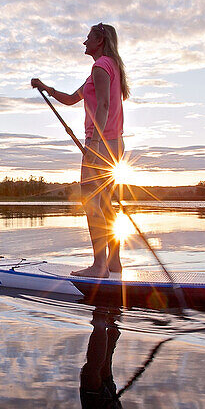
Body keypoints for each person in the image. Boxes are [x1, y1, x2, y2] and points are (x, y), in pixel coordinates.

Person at [31, 23, 131, 277]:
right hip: (115, 143)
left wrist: (95, 142)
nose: (84, 43)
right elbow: (73, 98)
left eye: (88, 38)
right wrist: (47, 89)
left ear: (101, 40)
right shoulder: (109, 67)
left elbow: (105, 105)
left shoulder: (100, 67)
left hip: (100, 143)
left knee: (91, 201)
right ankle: (114, 262)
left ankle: (99, 266)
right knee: (107, 203)